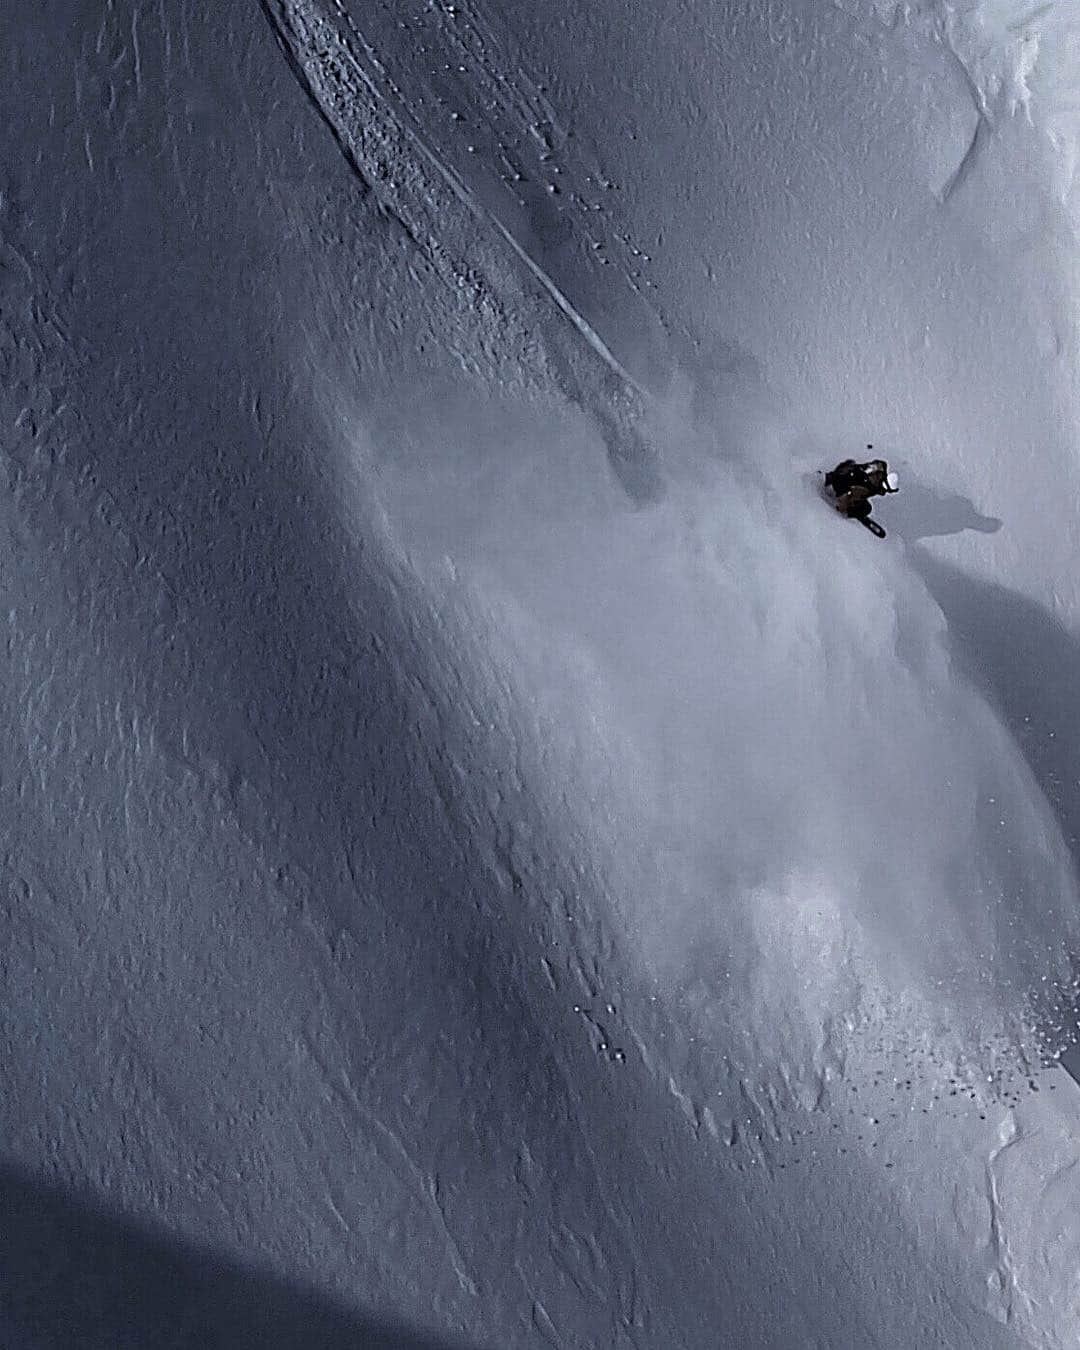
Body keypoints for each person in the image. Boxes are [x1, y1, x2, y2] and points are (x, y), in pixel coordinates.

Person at [824, 446, 899, 538]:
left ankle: (852, 508)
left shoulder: (875, 472)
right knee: (865, 507)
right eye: (885, 487)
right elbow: (848, 493)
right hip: (841, 483)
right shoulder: (866, 485)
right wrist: (842, 509)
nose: (884, 490)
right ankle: (851, 512)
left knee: (864, 505)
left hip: (844, 474)